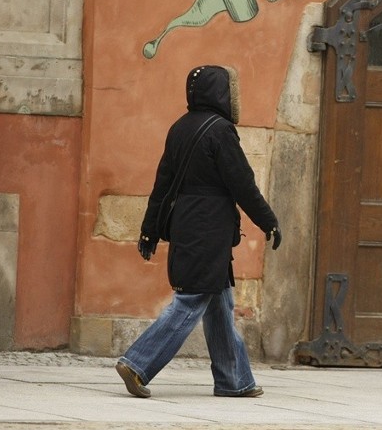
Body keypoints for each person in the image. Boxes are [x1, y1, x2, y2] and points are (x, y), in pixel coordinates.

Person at [115, 65, 281, 399]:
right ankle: (137, 362)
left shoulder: (179, 128)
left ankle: (235, 380)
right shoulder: (221, 131)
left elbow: (162, 186)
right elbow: (242, 184)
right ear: (219, 92)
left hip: (187, 224)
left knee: (219, 302)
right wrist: (268, 221)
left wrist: (149, 232)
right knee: (192, 299)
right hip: (209, 228)